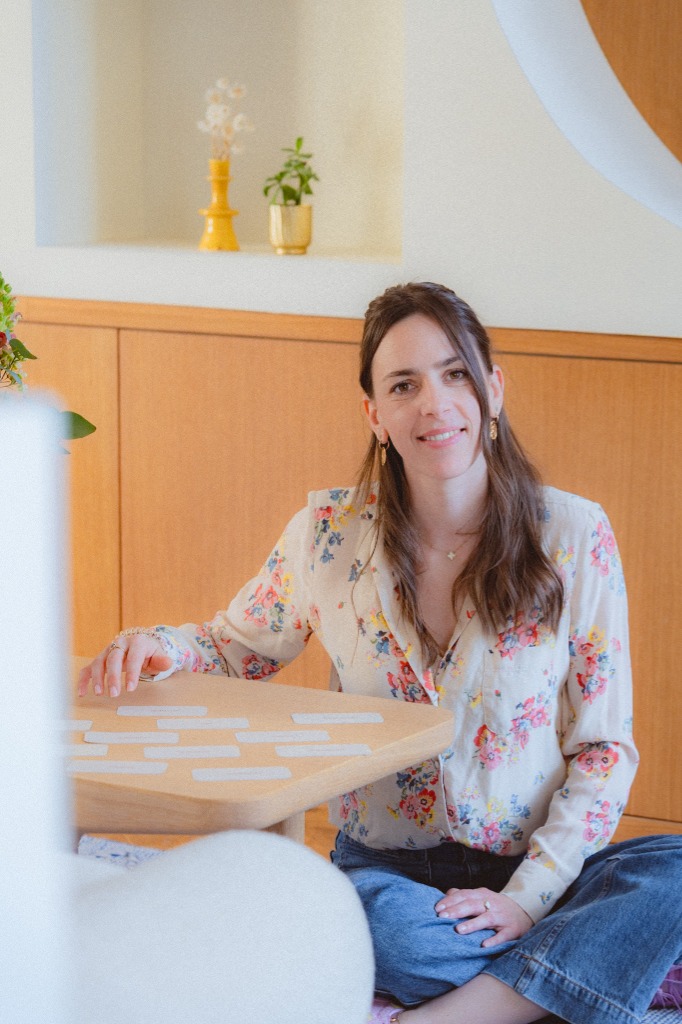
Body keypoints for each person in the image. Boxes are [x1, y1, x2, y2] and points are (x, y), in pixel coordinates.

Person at [79, 282, 681, 1024]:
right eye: (404, 385)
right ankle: (577, 979)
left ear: (493, 389)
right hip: (391, 875)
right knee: (390, 939)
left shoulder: (575, 536)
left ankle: (462, 1011)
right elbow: (233, 647)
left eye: (455, 373)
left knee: (673, 876)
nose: (434, 403)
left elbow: (603, 751)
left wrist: (525, 901)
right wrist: (155, 645)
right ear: (375, 414)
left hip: (538, 863)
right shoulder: (328, 533)